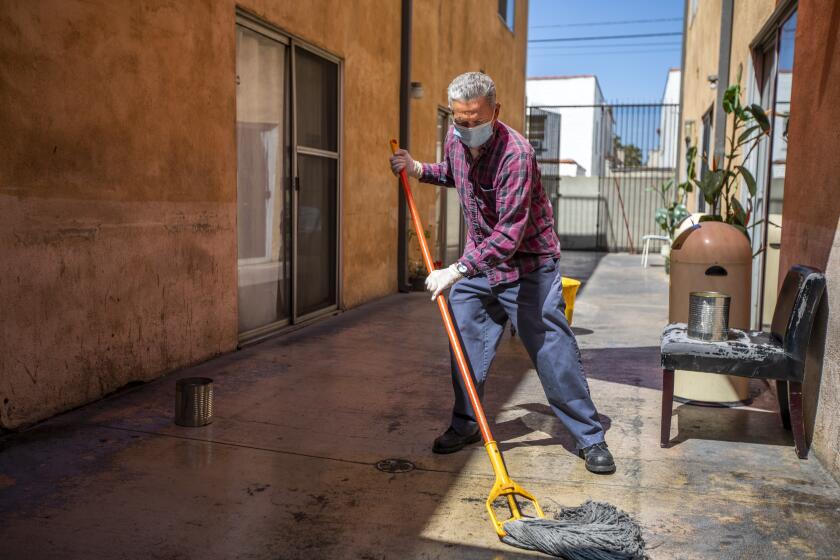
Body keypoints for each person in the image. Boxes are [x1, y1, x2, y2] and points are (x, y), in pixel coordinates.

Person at [389, 72, 615, 474]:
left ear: (496, 111)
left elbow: (509, 236)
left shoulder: (517, 155)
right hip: (480, 264)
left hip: (528, 265)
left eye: (475, 119)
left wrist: (456, 269)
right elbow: (455, 174)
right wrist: (418, 168)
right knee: (463, 346)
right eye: (459, 119)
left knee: (550, 348)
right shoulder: (455, 140)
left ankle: (589, 436)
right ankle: (466, 424)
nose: (466, 128)